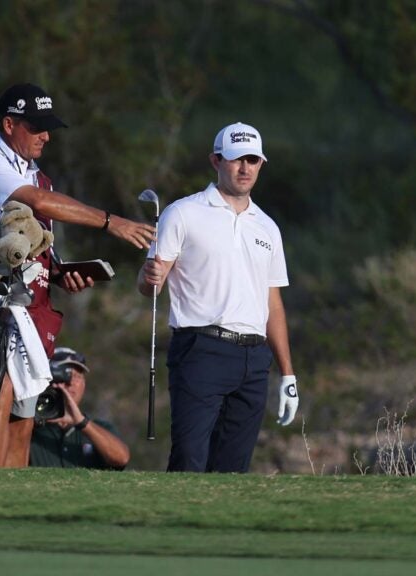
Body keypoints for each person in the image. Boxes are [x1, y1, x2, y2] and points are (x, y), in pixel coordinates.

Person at [0, 83, 155, 468]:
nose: (46, 136)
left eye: (48, 128)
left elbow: (37, 243)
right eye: (36, 127)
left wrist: (59, 273)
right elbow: (39, 205)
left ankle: (14, 496)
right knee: (4, 388)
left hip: (28, 311)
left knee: (25, 405)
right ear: (9, 124)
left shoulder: (41, 177)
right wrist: (110, 222)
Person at [137, 121, 300, 473]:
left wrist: (287, 374)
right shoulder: (183, 212)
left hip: (254, 359)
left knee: (233, 470)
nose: (245, 168)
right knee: (189, 461)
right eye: (236, 159)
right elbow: (151, 283)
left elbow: (272, 304)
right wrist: (149, 276)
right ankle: (175, 527)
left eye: (253, 160)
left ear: (261, 164)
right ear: (216, 161)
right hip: (201, 350)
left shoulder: (267, 227)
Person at [29, 347, 131, 469]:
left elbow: (121, 458)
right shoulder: (29, 429)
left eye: (77, 376)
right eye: (64, 375)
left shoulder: (100, 428)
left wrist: (81, 422)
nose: (71, 382)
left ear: (84, 384)